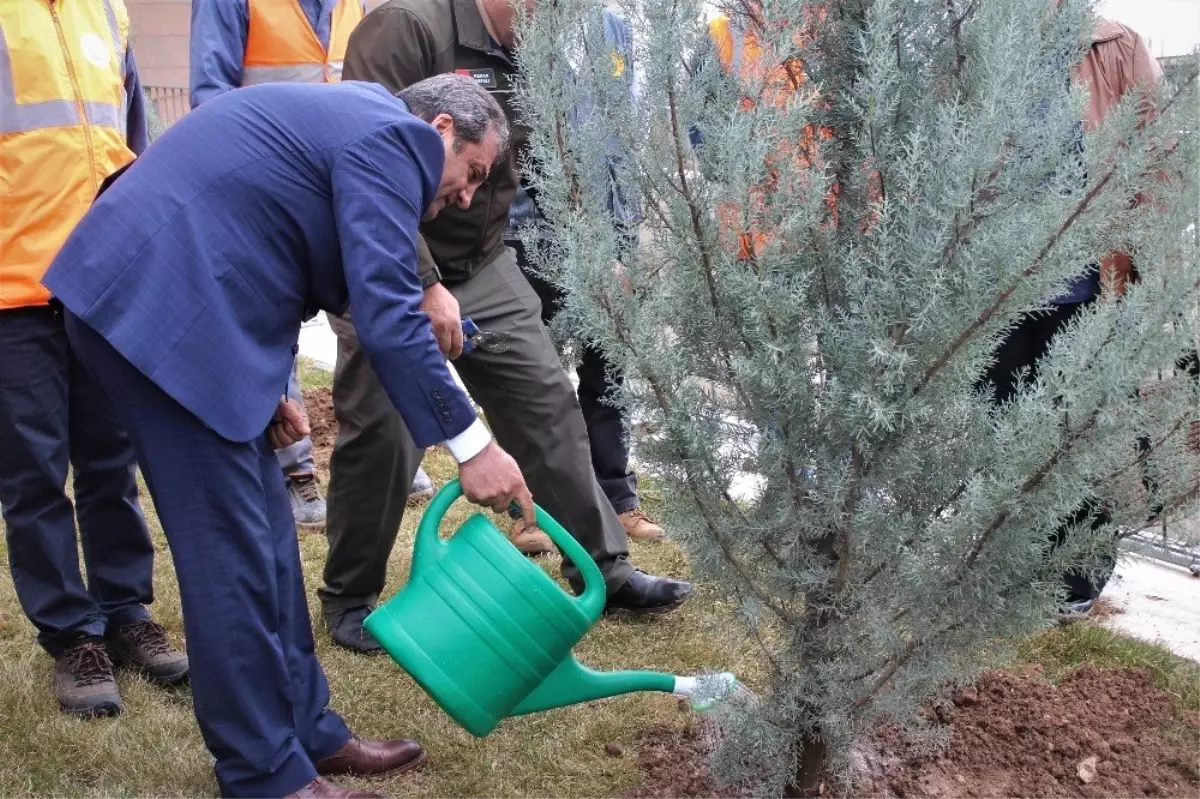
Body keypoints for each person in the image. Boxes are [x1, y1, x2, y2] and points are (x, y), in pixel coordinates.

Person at [43, 74, 530, 799]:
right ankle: (262, 772)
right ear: (438, 132)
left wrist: (271, 386)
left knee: (269, 545)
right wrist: (473, 446)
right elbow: (388, 308)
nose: (465, 194)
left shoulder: (362, 128)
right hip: (152, 309)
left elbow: (265, 237)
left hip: (201, 305)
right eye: (473, 172)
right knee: (229, 559)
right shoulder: (393, 141)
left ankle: (309, 732)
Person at [318, 0, 694, 656]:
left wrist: (581, 247)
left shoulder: (532, 47)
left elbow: (541, 157)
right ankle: (351, 596)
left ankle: (602, 566)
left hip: (483, 259)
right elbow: (363, 164)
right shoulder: (406, 27)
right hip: (385, 254)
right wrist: (424, 278)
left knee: (545, 398)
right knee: (385, 429)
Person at [0, 0, 188, 719]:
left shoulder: (106, 11)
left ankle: (125, 611)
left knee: (112, 460)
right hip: (13, 288)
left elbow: (130, 142)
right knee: (34, 476)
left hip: (101, 282)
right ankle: (71, 636)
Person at [189, 0, 438, 529]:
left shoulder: (357, 5)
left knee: (370, 321)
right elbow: (210, 94)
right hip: (271, 194)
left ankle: (386, 451)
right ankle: (295, 474)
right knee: (275, 332)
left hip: (351, 188)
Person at [982, 14, 1163, 617]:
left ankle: (1076, 587)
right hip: (995, 289)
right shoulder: (979, 33)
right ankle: (1002, 570)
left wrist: (1145, 264)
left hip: (1086, 288)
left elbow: (1154, 155)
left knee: (1078, 435)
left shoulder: (1116, 46)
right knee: (1000, 429)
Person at [505, 8, 666, 552]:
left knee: (609, 369)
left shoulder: (612, 26)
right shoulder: (518, 23)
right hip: (532, 229)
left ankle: (619, 499)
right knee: (532, 374)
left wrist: (624, 228)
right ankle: (530, 510)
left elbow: (625, 126)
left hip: (612, 222)